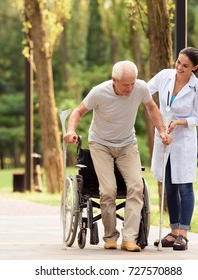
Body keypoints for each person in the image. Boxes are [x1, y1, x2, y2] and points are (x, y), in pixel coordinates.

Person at [64, 60, 172, 252]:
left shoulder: (140, 88)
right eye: (125, 84)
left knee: (137, 186)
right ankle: (110, 236)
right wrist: (71, 130)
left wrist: (162, 131)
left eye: (133, 83)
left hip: (127, 144)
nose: (130, 88)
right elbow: (79, 111)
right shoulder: (99, 92)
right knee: (108, 190)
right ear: (114, 80)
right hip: (100, 144)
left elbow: (152, 108)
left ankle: (129, 238)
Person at [147, 47, 198, 250]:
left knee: (184, 186)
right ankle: (173, 233)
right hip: (164, 137)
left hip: (183, 142)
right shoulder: (165, 76)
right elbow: (145, 90)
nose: (179, 68)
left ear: (195, 68)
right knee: (169, 186)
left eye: (185, 66)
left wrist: (179, 122)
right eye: (178, 62)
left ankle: (184, 234)